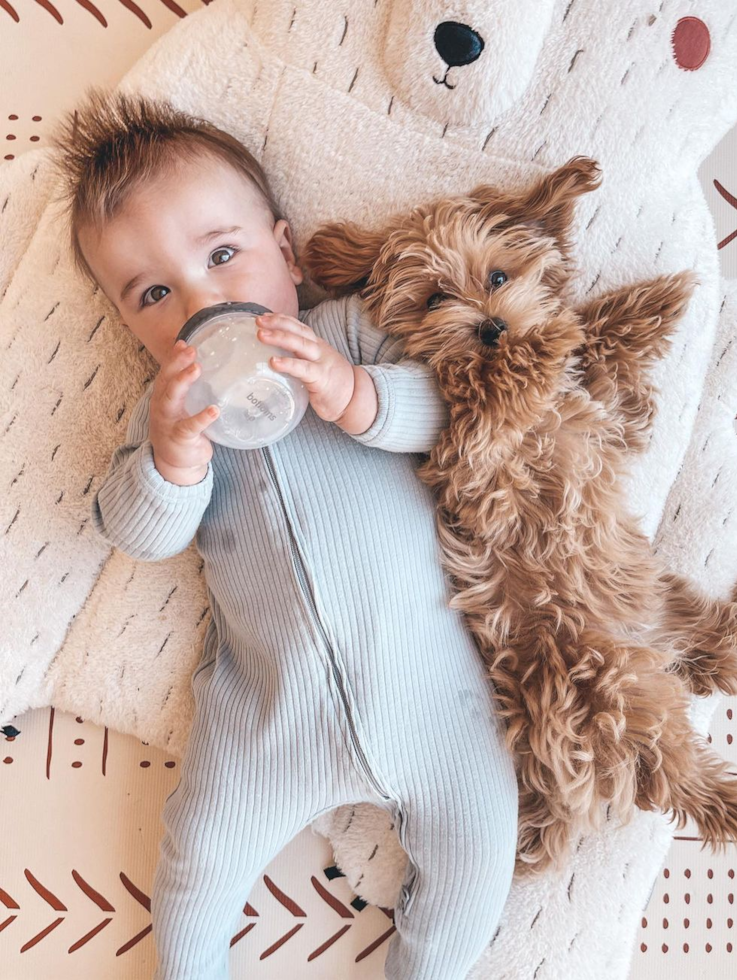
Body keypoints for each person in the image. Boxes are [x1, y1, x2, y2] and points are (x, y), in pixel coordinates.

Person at [50, 87, 519, 980]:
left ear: (287, 250)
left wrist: (355, 395)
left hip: (435, 697)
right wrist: (175, 455)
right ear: (126, 321)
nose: (200, 301)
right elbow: (138, 531)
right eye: (153, 292)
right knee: (195, 863)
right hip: (269, 717)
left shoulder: (349, 336)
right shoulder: (170, 417)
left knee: (482, 845)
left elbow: (454, 413)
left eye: (222, 254)